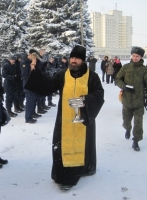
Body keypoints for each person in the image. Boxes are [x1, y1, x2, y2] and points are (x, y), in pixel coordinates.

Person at [25, 45, 104, 190]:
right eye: (72, 58)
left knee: (83, 145)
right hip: (65, 121)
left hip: (83, 120)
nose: (73, 61)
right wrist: (35, 71)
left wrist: (85, 100)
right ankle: (65, 176)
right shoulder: (63, 75)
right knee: (63, 146)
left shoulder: (92, 76)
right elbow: (47, 86)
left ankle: (85, 168)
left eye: (77, 58)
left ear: (82, 60)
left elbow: (99, 94)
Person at [116, 46, 147, 151]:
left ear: (141, 57)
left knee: (138, 124)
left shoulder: (144, 70)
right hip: (127, 101)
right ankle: (127, 128)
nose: (135, 58)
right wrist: (124, 86)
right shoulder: (126, 67)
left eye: (137, 56)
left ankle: (136, 141)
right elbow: (118, 78)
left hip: (139, 102)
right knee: (126, 121)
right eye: (133, 56)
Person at [20, 49, 40, 124]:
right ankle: (28, 118)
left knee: (33, 101)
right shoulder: (24, 63)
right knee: (29, 102)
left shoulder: (32, 62)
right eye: (34, 56)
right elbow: (24, 75)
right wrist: (31, 69)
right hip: (28, 86)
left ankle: (32, 114)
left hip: (33, 85)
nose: (35, 59)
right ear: (31, 55)